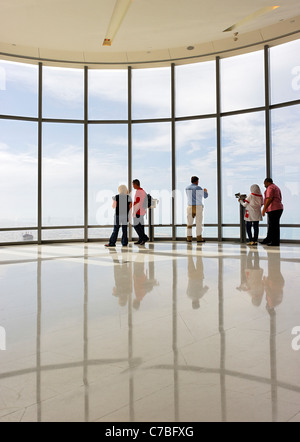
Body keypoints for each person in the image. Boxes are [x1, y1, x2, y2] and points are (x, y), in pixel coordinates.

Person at [261, 178, 284, 247]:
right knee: (272, 225)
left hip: (274, 208)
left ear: (267, 182)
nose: (264, 184)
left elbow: (269, 198)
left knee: (274, 226)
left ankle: (275, 242)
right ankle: (268, 239)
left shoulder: (270, 188)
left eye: (264, 183)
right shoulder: (276, 187)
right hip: (278, 208)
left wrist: (264, 209)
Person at [185, 176, 208, 243]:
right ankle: (199, 238)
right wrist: (205, 191)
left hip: (189, 207)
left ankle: (189, 238)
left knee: (189, 224)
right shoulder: (198, 188)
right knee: (198, 223)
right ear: (197, 181)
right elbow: (205, 196)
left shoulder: (187, 188)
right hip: (198, 207)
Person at [132, 179, 149, 246]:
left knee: (136, 225)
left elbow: (137, 203)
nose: (133, 186)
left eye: (133, 184)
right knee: (141, 226)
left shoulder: (138, 192)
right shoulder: (143, 191)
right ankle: (141, 240)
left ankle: (144, 238)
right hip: (142, 211)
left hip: (138, 211)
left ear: (136, 184)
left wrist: (134, 211)